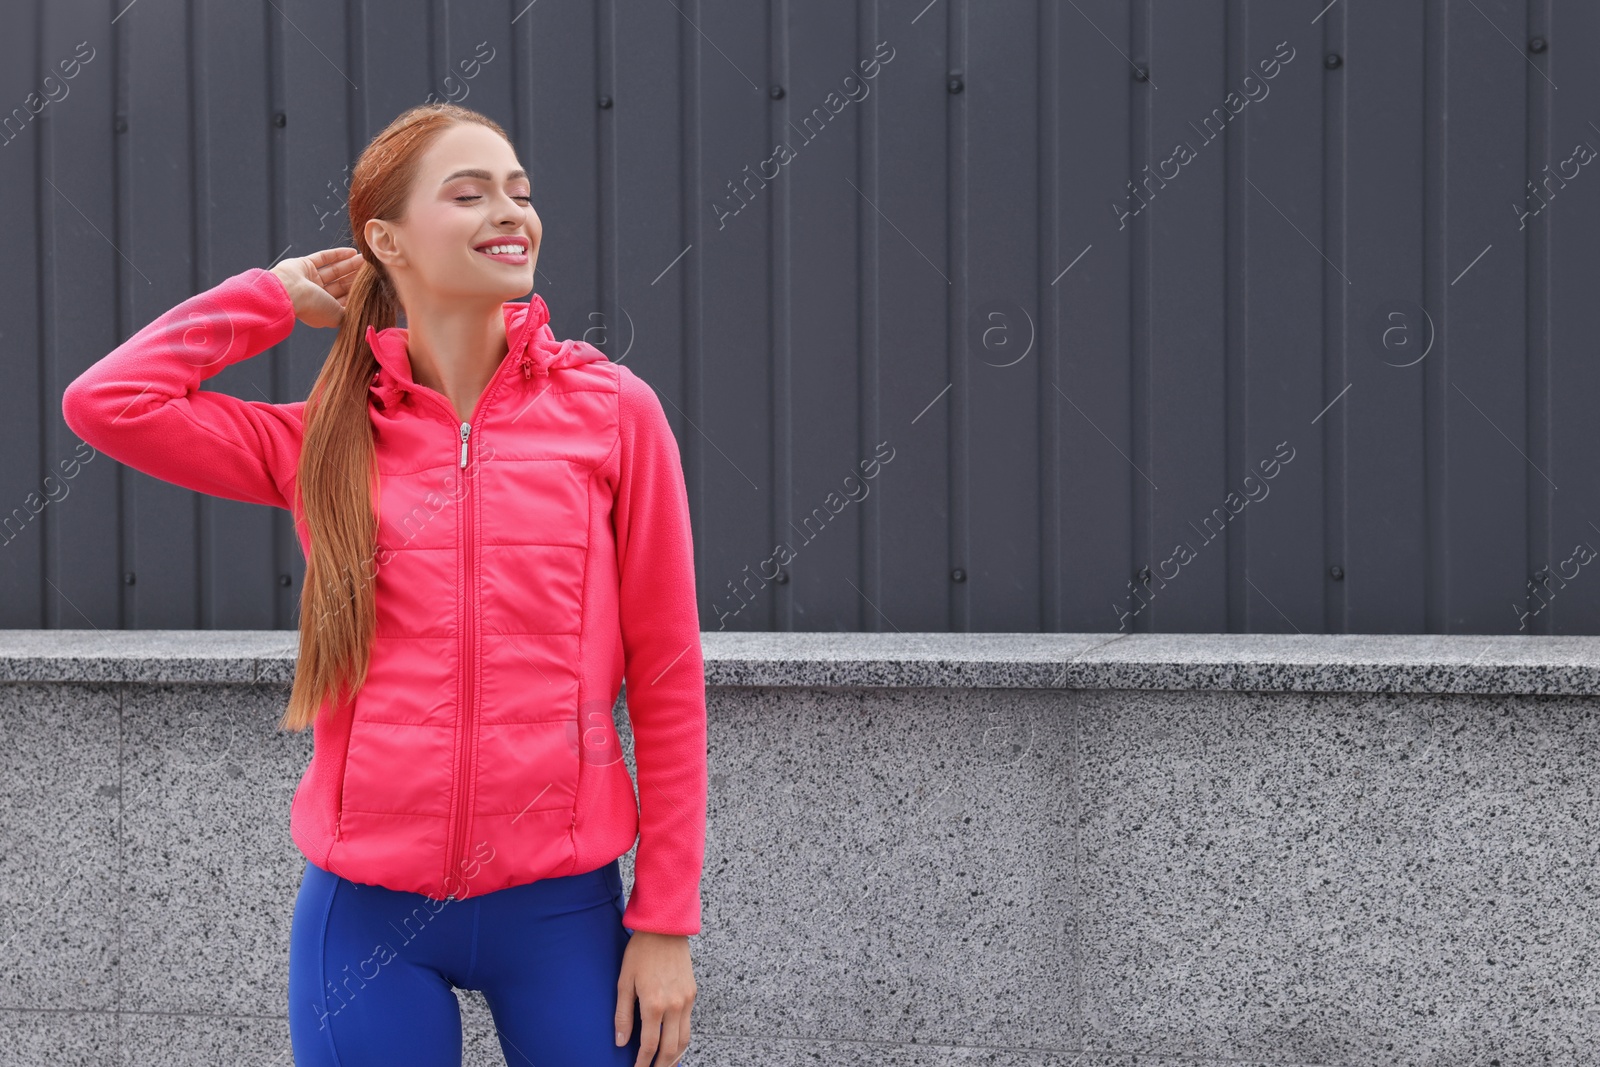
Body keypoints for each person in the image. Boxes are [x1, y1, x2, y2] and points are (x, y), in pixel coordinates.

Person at [61, 103, 704, 1067]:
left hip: (564, 907)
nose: (511, 212)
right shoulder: (321, 439)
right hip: (364, 916)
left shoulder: (612, 414)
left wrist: (665, 919)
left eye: (521, 191)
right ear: (384, 239)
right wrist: (274, 295)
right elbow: (107, 401)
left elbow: (666, 675)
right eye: (470, 191)